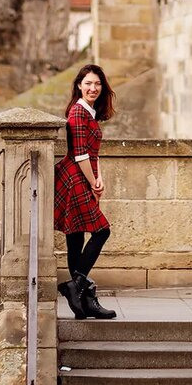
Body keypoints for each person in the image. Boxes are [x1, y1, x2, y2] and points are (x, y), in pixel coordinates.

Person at [54, 64, 117, 319]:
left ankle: (82, 303)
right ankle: (77, 286)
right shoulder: (78, 112)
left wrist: (99, 178)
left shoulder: (89, 112)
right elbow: (80, 154)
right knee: (102, 231)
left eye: (97, 84)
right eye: (88, 83)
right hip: (75, 178)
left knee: (76, 238)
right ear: (79, 85)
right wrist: (92, 182)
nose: (93, 88)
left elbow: (93, 153)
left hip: (83, 176)